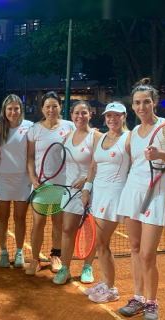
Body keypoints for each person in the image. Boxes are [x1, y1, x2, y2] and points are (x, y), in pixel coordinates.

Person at [116, 78, 165, 320]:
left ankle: (152, 301)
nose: (141, 107)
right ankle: (138, 298)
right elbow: (135, 165)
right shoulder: (133, 133)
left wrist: (161, 154)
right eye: (137, 103)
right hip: (133, 192)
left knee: (147, 254)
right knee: (134, 248)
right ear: (132, 106)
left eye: (146, 102)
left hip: (156, 196)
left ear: (154, 102)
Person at [82, 102, 131, 303]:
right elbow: (93, 167)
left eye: (117, 115)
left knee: (101, 242)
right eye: (109, 115)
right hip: (98, 194)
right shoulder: (100, 137)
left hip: (114, 195)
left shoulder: (129, 138)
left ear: (124, 116)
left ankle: (111, 289)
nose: (112, 119)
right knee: (101, 243)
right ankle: (105, 282)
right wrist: (86, 189)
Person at [26, 91, 75, 275]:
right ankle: (35, 260)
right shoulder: (34, 129)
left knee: (58, 223)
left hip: (62, 185)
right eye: (47, 106)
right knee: (38, 223)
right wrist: (33, 178)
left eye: (55, 106)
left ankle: (56, 256)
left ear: (60, 107)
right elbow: (30, 157)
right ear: (42, 109)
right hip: (41, 186)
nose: (51, 110)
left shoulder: (69, 126)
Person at [52, 101, 101, 285]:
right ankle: (65, 268)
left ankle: (87, 267)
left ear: (90, 114)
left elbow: (100, 164)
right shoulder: (68, 136)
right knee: (67, 229)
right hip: (70, 191)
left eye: (84, 113)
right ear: (71, 115)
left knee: (90, 231)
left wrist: (86, 180)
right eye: (76, 113)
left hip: (91, 190)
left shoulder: (96, 137)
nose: (80, 116)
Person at [0, 94, 33, 268]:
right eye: (10, 109)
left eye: (16, 108)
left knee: (20, 218)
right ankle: (3, 252)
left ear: (21, 110)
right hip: (2, 179)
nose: (13, 112)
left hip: (23, 179)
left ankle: (19, 252)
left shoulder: (30, 126)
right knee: (2, 217)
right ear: (4, 110)